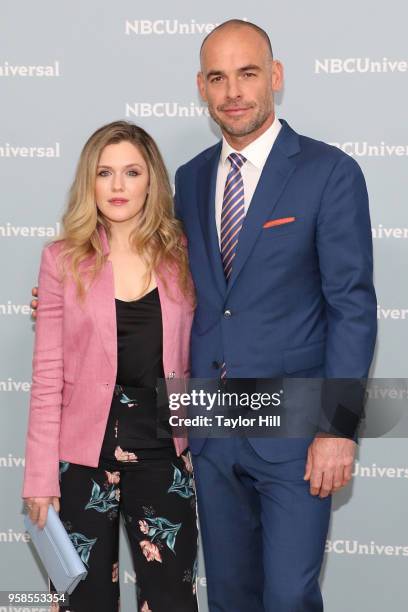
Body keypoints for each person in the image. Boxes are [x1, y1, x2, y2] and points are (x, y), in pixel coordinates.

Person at [173, 19, 377, 612]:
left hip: (295, 435)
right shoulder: (187, 180)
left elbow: (352, 308)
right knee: (231, 598)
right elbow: (161, 280)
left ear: (276, 77)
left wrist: (338, 427)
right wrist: (70, 295)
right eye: (218, 78)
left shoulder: (328, 172)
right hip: (211, 430)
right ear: (202, 87)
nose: (233, 91)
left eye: (248, 73)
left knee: (288, 597)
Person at [23, 121, 198, 612]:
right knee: (84, 601)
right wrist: (39, 477)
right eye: (105, 173)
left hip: (165, 451)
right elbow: (47, 377)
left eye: (131, 172)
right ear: (89, 182)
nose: (118, 186)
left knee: (172, 601)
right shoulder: (61, 260)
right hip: (81, 458)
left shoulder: (184, 254)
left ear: (151, 181)